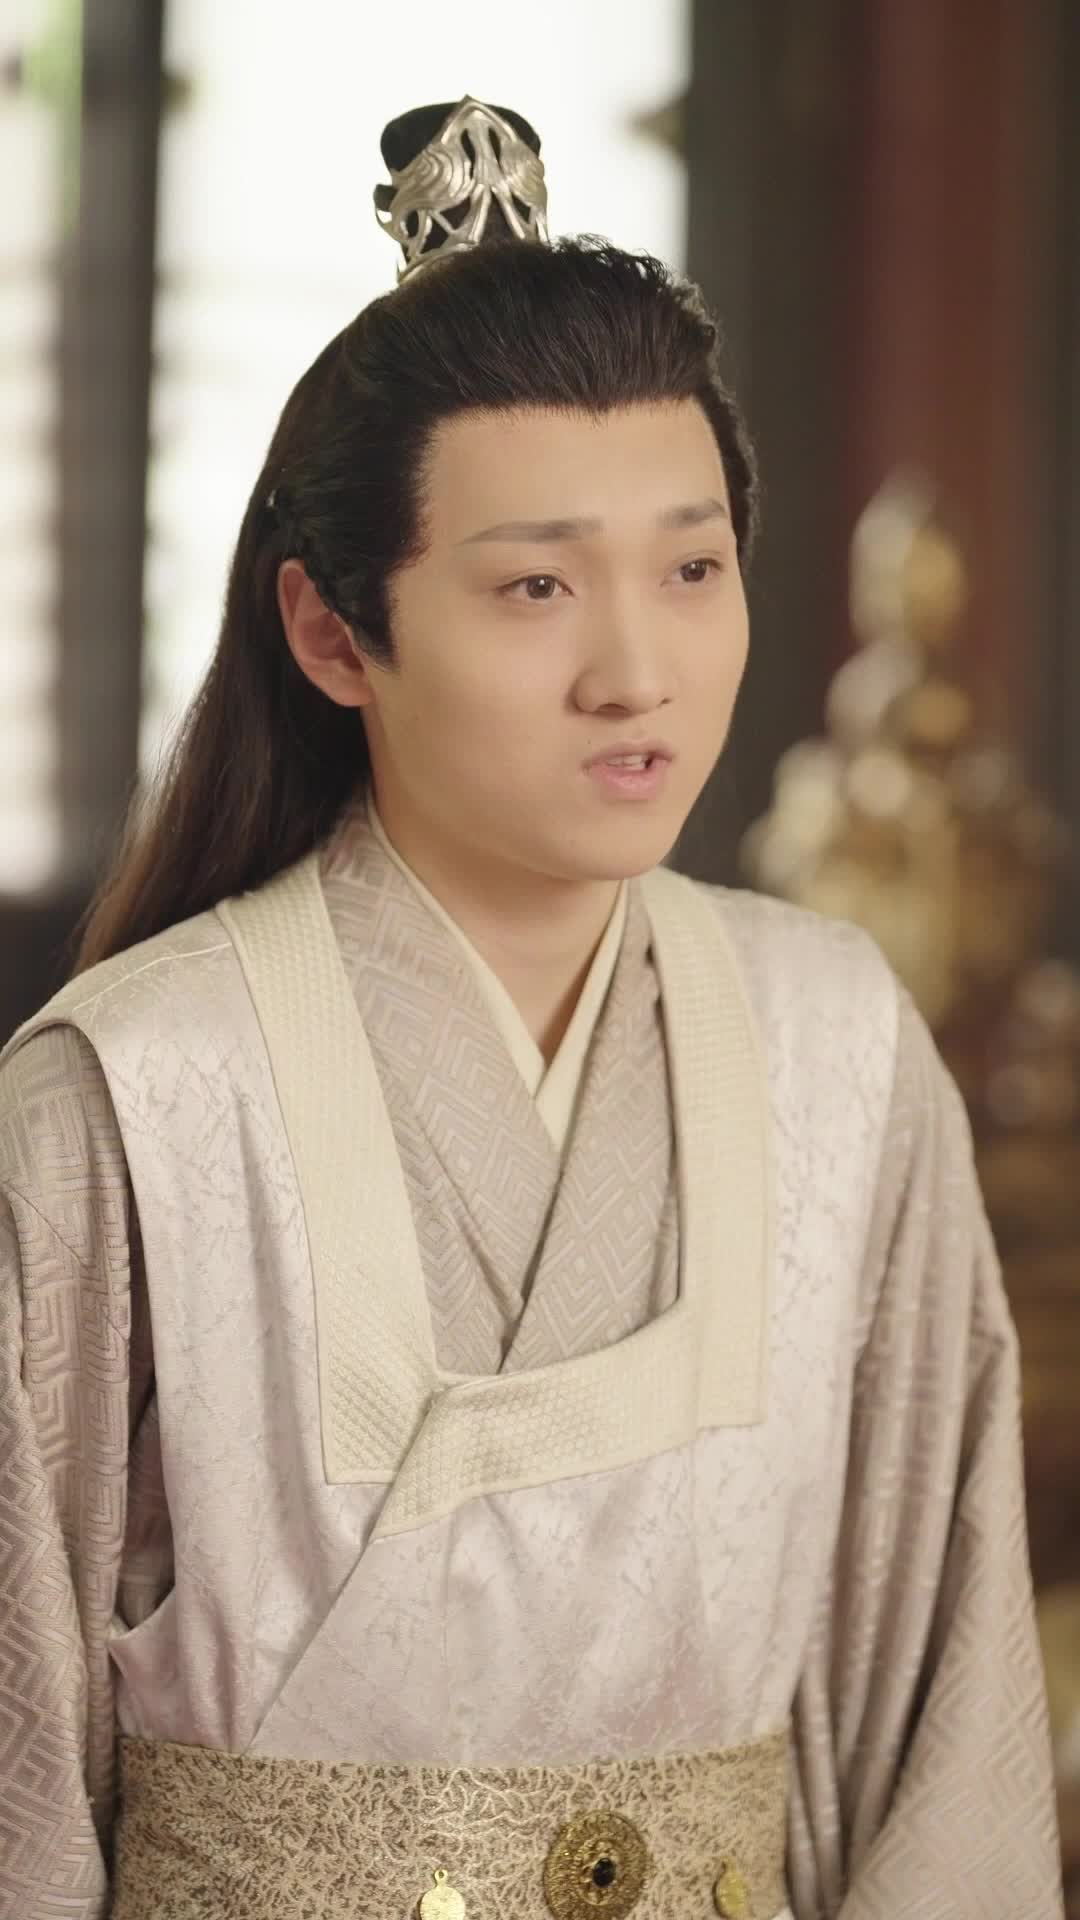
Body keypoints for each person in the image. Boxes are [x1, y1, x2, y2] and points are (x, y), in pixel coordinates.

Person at [0, 95, 1063, 1920]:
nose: (637, 669)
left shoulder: (835, 1045)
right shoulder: (132, 1096)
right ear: (334, 633)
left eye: (693, 567)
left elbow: (945, 1724)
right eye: (537, 585)